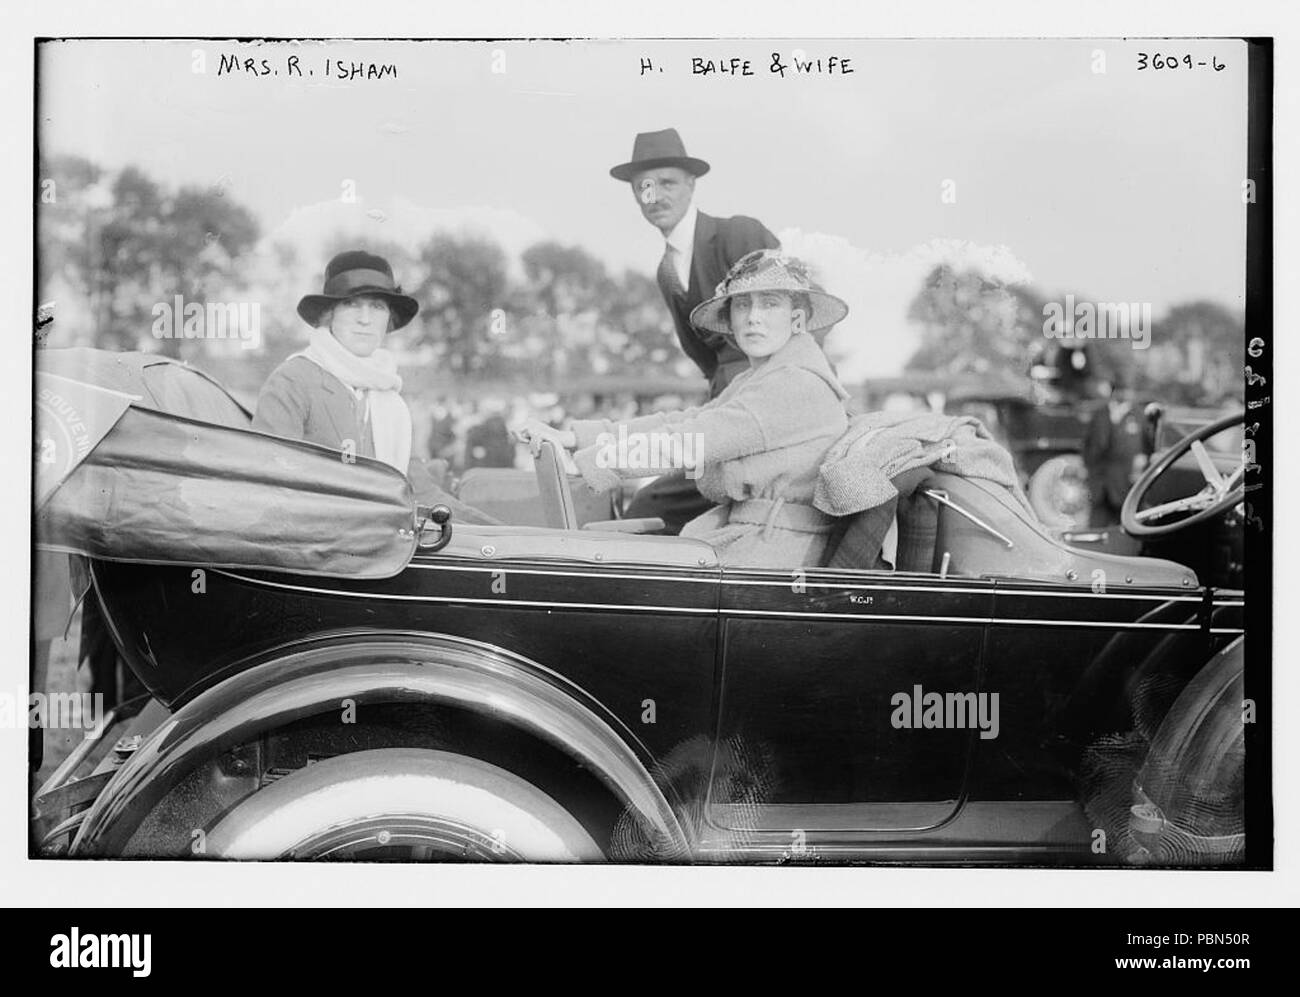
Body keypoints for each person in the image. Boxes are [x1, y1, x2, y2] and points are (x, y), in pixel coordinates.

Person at [517, 250, 850, 568]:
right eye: (743, 305)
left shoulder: (795, 384)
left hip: (775, 552)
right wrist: (576, 438)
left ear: (797, 320)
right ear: (730, 319)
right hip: (753, 538)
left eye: (770, 304)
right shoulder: (764, 376)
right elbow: (686, 421)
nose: (753, 317)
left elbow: (689, 441)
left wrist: (587, 464)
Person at [611, 128, 781, 533]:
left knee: (648, 509)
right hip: (722, 425)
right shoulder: (666, 270)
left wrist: (772, 398)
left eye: (667, 182)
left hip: (769, 424)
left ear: (691, 185)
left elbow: (796, 312)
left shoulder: (738, 234)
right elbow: (708, 361)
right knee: (640, 505)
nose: (655, 196)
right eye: (643, 188)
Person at [253, 249, 498, 525]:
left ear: (388, 321)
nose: (365, 319)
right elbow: (270, 486)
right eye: (352, 304)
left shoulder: (387, 395)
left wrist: (506, 536)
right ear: (329, 315)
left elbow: (421, 492)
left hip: (381, 548)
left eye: (377, 307)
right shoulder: (292, 381)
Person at [1082, 368, 1154, 527]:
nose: (1123, 395)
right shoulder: (1100, 414)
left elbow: (1147, 448)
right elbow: (1089, 446)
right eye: (1119, 391)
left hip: (1125, 485)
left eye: (1126, 391)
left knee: (1123, 529)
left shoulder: (1138, 416)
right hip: (1100, 485)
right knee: (1096, 529)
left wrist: (1140, 468)